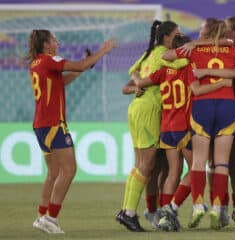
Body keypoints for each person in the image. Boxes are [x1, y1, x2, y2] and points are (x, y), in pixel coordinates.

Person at [27, 29, 116, 234]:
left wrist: (83, 66)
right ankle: (51, 217)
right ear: (46, 45)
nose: (56, 42)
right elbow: (81, 65)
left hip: (41, 125)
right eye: (53, 39)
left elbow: (62, 81)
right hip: (53, 124)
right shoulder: (50, 59)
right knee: (69, 170)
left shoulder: (36, 64)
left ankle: (42, 216)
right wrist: (103, 50)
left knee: (54, 172)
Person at [163, 18, 235, 230]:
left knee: (199, 162)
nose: (198, 32)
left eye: (201, 29)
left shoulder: (194, 50)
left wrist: (196, 46)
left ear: (207, 31)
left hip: (203, 107)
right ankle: (218, 208)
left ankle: (198, 205)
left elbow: (167, 55)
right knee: (221, 163)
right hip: (227, 106)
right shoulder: (232, 50)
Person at [117, 20, 188, 232]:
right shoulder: (165, 55)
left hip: (137, 108)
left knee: (142, 164)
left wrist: (137, 82)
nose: (179, 37)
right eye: (177, 34)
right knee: (147, 165)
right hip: (150, 111)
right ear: (167, 37)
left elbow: (132, 70)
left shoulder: (149, 53)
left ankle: (127, 211)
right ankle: (129, 213)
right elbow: (185, 63)